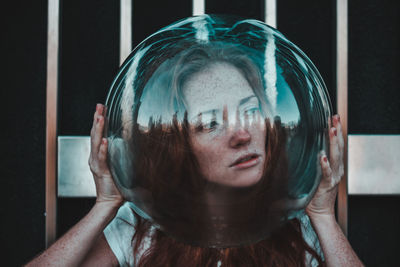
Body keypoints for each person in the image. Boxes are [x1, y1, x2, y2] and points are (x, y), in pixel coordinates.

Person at [26, 45, 364, 267]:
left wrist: (322, 216)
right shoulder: (141, 227)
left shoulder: (296, 227)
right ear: (180, 147)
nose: (242, 134)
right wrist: (105, 206)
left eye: (250, 112)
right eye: (211, 123)